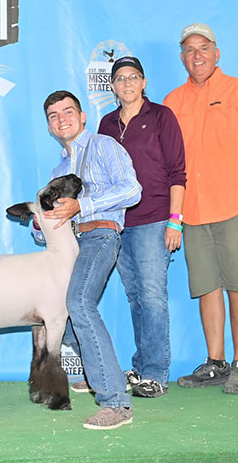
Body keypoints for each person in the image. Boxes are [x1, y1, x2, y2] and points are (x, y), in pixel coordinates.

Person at [38, 90, 141, 430]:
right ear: (50, 126)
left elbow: (132, 190)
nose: (61, 118)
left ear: (83, 117)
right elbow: (53, 225)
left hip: (101, 234)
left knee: (79, 302)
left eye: (68, 111)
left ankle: (115, 402)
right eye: (53, 115)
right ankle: (93, 369)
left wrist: (84, 205)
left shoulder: (104, 146)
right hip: (70, 244)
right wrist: (43, 225)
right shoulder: (59, 168)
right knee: (57, 309)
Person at [98, 56, 186, 398]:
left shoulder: (162, 117)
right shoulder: (106, 124)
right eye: (120, 79)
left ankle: (156, 373)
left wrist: (175, 222)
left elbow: (178, 172)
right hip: (118, 223)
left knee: (152, 296)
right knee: (136, 297)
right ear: (113, 87)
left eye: (133, 76)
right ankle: (141, 363)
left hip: (154, 219)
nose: (127, 83)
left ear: (144, 82)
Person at [163, 23, 238, 394]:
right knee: (207, 286)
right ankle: (216, 362)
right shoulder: (172, 102)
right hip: (191, 210)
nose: (197, 56)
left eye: (203, 48)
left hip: (232, 205)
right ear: (182, 58)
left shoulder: (236, 90)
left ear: (217, 53)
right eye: (190, 50)